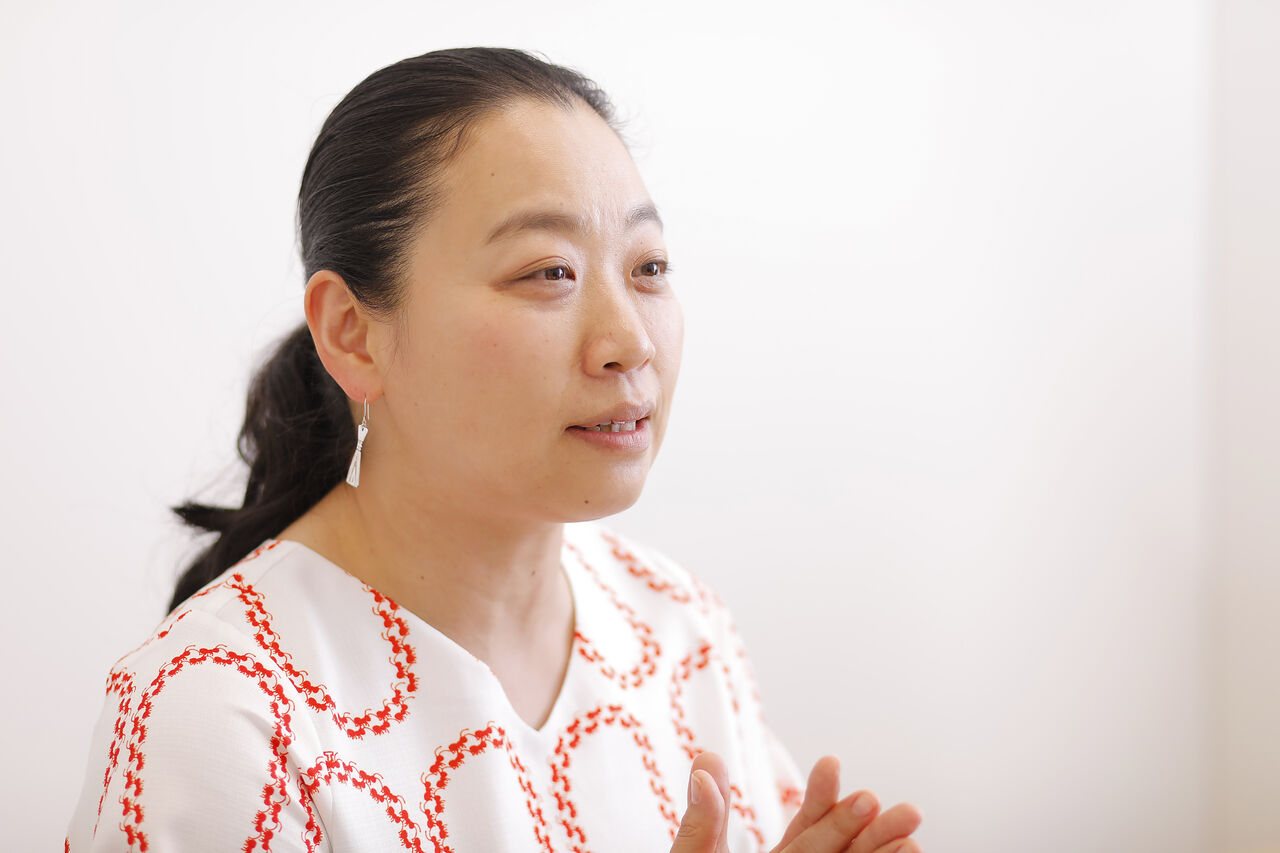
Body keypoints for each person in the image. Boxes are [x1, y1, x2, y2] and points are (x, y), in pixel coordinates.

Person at [65, 47, 924, 852]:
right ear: (354, 332)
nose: (630, 341)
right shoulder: (221, 711)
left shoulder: (675, 625)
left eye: (650, 267)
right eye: (549, 272)